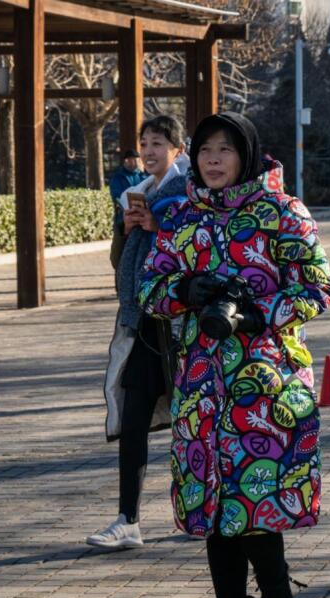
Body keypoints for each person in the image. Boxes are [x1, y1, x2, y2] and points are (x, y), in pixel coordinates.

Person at [138, 111, 330, 598]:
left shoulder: (282, 212)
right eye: (205, 150)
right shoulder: (181, 217)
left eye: (224, 149)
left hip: (267, 385)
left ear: (244, 154)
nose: (213, 159)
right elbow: (149, 289)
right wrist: (186, 288)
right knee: (211, 508)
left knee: (254, 506)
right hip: (202, 388)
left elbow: (318, 288)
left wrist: (255, 316)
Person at [91, 115, 189, 550]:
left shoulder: (187, 193)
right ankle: (127, 519)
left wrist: (157, 226)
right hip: (142, 324)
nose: (149, 150)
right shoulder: (140, 193)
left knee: (196, 423)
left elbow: (198, 245)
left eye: (158, 143)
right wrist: (126, 228)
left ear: (178, 150)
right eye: (144, 142)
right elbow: (121, 261)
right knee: (133, 420)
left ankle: (207, 508)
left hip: (182, 327)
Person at [108, 149, 145, 270]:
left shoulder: (143, 176)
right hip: (123, 220)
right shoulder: (118, 178)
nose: (133, 163)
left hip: (142, 218)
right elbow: (117, 197)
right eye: (130, 160)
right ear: (125, 161)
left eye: (136, 160)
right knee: (119, 255)